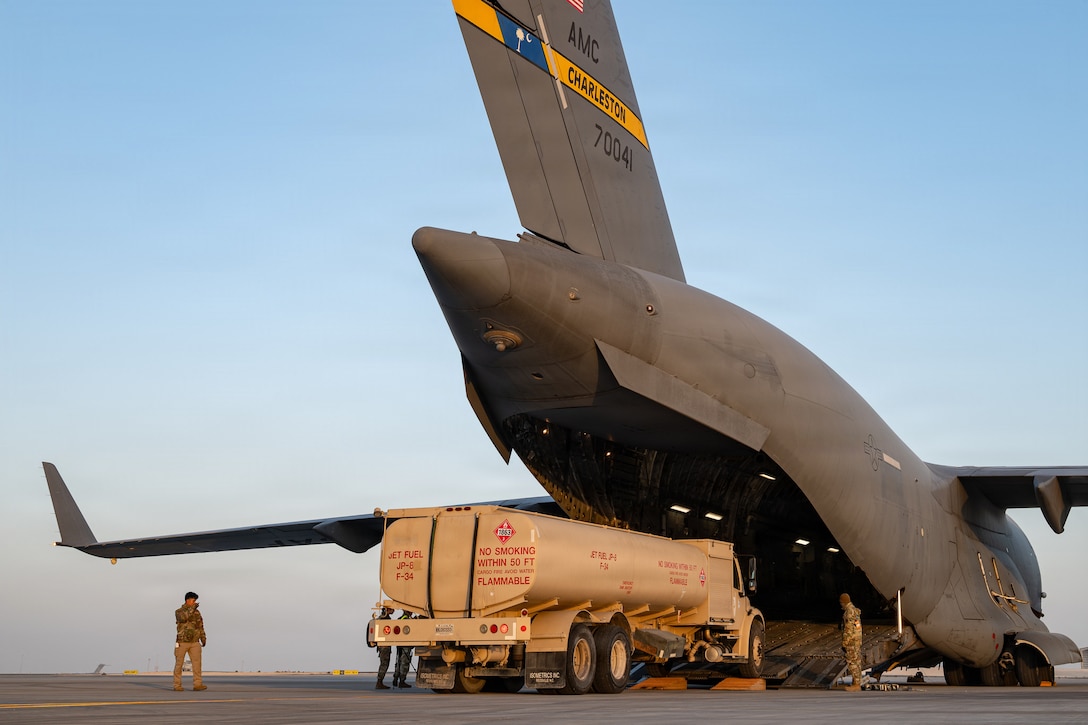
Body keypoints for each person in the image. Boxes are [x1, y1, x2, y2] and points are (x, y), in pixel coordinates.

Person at [173, 591, 207, 692]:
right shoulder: (179, 611)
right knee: (179, 664)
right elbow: (184, 618)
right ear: (187, 600)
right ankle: (177, 685)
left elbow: (200, 625)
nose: (195, 602)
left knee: (197, 664)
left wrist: (203, 637)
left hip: (194, 642)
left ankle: (198, 684)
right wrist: (192, 609)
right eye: (193, 600)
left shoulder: (197, 613)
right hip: (182, 641)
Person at [839, 592, 862, 692]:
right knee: (857, 661)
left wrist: (845, 642)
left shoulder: (849, 611)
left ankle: (856, 685)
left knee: (852, 661)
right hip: (857, 639)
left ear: (843, 602)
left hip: (851, 641)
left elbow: (848, 628)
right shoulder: (855, 610)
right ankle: (856, 682)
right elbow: (857, 626)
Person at [374, 606, 393, 689]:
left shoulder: (380, 618)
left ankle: (379, 681)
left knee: (384, 663)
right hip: (385, 645)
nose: (393, 610)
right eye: (391, 609)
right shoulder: (386, 619)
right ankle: (379, 682)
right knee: (384, 664)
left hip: (382, 645)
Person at [393, 611, 413, 688]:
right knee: (404, 663)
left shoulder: (400, 619)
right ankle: (402, 681)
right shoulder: (407, 620)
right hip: (405, 644)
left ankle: (395, 678)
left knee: (398, 662)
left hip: (400, 644)